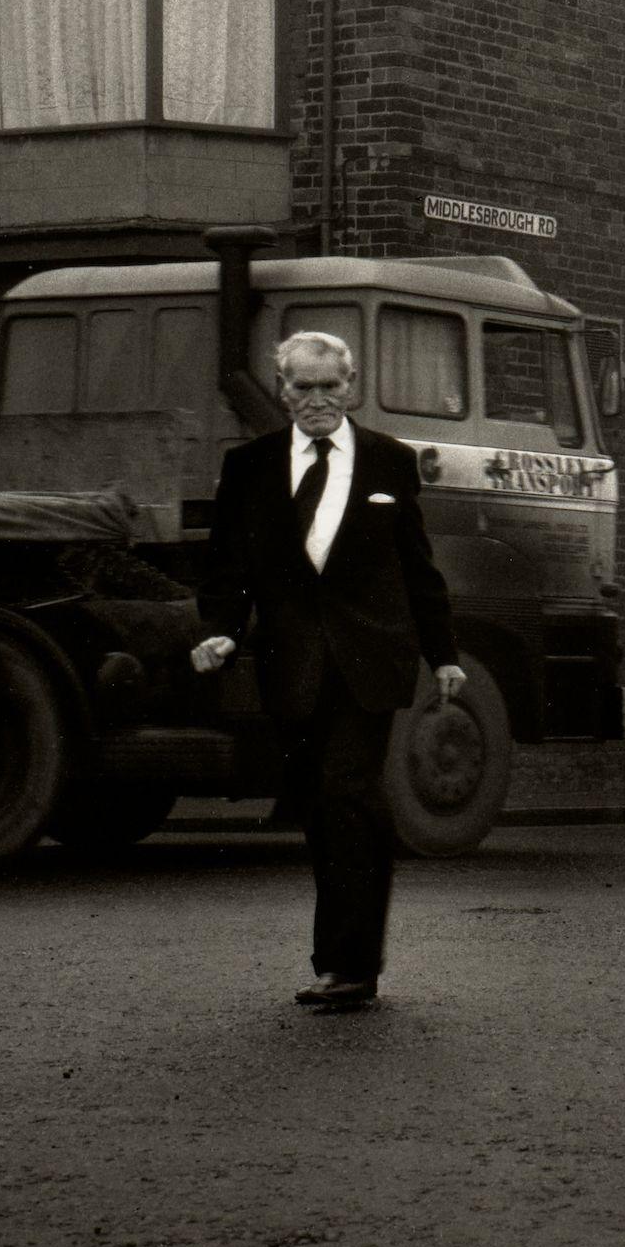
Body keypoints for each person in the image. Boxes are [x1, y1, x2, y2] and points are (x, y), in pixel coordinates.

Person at [189, 329, 466, 1014]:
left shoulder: (388, 463)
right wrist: (221, 631)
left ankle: (348, 966)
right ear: (282, 392)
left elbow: (419, 570)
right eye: (302, 387)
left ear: (351, 388)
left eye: (329, 386)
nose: (316, 399)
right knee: (317, 805)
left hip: (370, 661)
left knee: (348, 792)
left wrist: (447, 656)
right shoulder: (249, 465)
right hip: (293, 663)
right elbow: (226, 566)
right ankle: (347, 959)